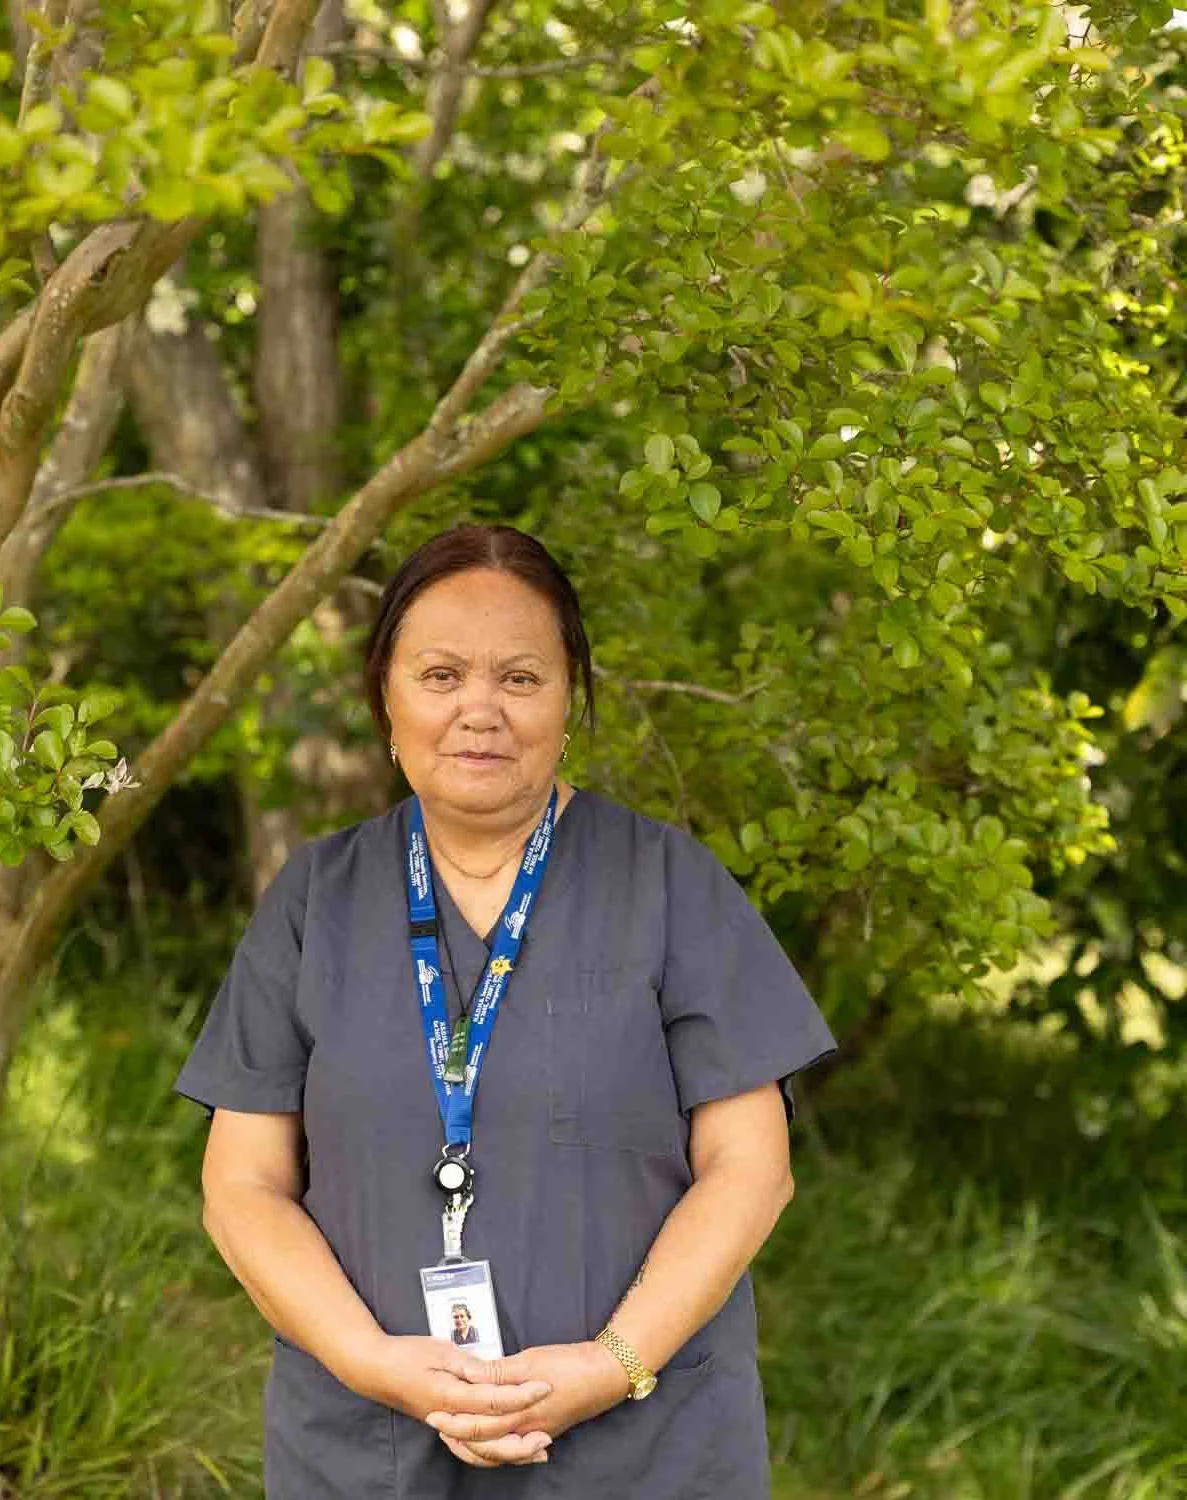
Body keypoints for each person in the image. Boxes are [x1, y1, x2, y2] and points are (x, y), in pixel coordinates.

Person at [176, 523, 836, 1499]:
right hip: (370, 1452)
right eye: (440, 675)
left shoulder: (669, 886)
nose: (478, 710)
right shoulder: (315, 901)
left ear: (570, 700)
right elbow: (243, 1187)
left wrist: (610, 1364)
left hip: (640, 1452)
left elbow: (750, 1170)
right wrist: (372, 1364)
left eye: (519, 678)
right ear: (386, 697)